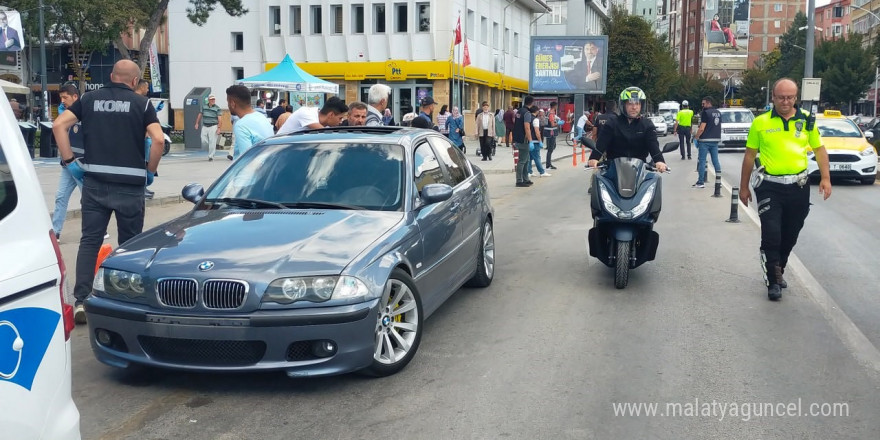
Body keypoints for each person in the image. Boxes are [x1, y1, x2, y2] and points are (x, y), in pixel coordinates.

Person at [53, 59, 164, 324]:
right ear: (135, 81)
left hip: (94, 182)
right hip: (130, 185)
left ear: (112, 75)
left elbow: (59, 126)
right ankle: (125, 299)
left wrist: (70, 162)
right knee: (130, 246)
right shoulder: (142, 104)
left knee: (90, 241)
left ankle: (81, 299)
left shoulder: (89, 99)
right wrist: (150, 169)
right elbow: (158, 139)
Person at [738, 78, 831, 301]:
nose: (785, 101)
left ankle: (778, 268)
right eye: (781, 97)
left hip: (798, 186)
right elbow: (750, 155)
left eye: (789, 97)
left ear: (796, 98)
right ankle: (773, 281)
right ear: (774, 98)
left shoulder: (807, 120)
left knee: (790, 234)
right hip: (769, 186)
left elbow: (819, 150)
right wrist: (743, 187)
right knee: (772, 234)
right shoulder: (761, 122)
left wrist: (826, 178)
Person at [587, 87, 667, 176]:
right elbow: (601, 143)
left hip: (640, 172)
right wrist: (594, 158)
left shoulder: (647, 124)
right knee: (598, 179)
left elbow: (653, 145)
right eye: (630, 103)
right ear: (623, 105)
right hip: (614, 171)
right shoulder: (612, 123)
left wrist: (659, 161)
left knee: (655, 179)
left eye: (637, 103)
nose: (634, 107)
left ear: (641, 105)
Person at [50, 84, 84, 239]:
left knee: (89, 201)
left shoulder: (85, 112)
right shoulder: (65, 114)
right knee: (60, 197)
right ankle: (55, 231)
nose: (62, 101)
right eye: (61, 98)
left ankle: (97, 230)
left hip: (81, 164)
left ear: (75, 97)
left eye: (65, 97)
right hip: (67, 165)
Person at [226, 84, 274, 159]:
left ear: (232, 103)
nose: (228, 105)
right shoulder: (261, 117)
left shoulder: (241, 125)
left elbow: (246, 160)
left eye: (228, 102)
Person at [277, 96, 349, 135]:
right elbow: (325, 134)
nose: (341, 121)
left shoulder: (326, 125)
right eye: (340, 118)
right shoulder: (306, 113)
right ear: (331, 115)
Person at [693, 96, 722, 188]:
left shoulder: (705, 113)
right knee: (715, 161)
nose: (702, 105)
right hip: (715, 139)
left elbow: (702, 128)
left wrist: (696, 137)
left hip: (705, 140)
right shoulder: (718, 113)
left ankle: (700, 182)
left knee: (702, 161)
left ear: (709, 103)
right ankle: (718, 181)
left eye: (703, 103)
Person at [135, 79, 156, 199]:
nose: (147, 90)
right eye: (147, 87)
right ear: (141, 87)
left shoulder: (131, 101)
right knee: (144, 163)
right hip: (143, 138)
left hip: (137, 138)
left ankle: (143, 188)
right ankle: (142, 187)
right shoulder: (144, 102)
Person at [512, 96, 536, 187]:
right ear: (532, 103)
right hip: (524, 139)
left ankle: (526, 179)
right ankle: (519, 180)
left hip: (517, 137)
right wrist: (530, 141)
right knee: (522, 160)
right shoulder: (527, 113)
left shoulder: (519, 111)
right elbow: (527, 127)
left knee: (526, 159)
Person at [195, 94, 222, 161]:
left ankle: (211, 156)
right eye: (212, 99)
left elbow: (220, 119)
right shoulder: (204, 107)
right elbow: (200, 115)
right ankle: (211, 149)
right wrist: (196, 123)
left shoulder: (217, 108)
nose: (213, 100)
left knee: (212, 141)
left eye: (214, 99)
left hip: (213, 126)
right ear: (209, 100)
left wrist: (219, 128)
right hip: (205, 125)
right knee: (203, 140)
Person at [529, 108, 549, 177]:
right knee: (537, 157)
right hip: (535, 141)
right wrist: (540, 141)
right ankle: (542, 172)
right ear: (536, 111)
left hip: (529, 140)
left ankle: (529, 171)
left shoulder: (528, 118)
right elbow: (537, 131)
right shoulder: (535, 119)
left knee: (529, 157)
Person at [544, 102, 560, 170]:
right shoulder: (551, 113)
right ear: (554, 106)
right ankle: (548, 165)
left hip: (549, 132)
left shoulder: (548, 112)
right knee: (550, 149)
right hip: (551, 133)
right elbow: (552, 124)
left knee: (551, 149)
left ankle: (549, 164)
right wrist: (558, 123)